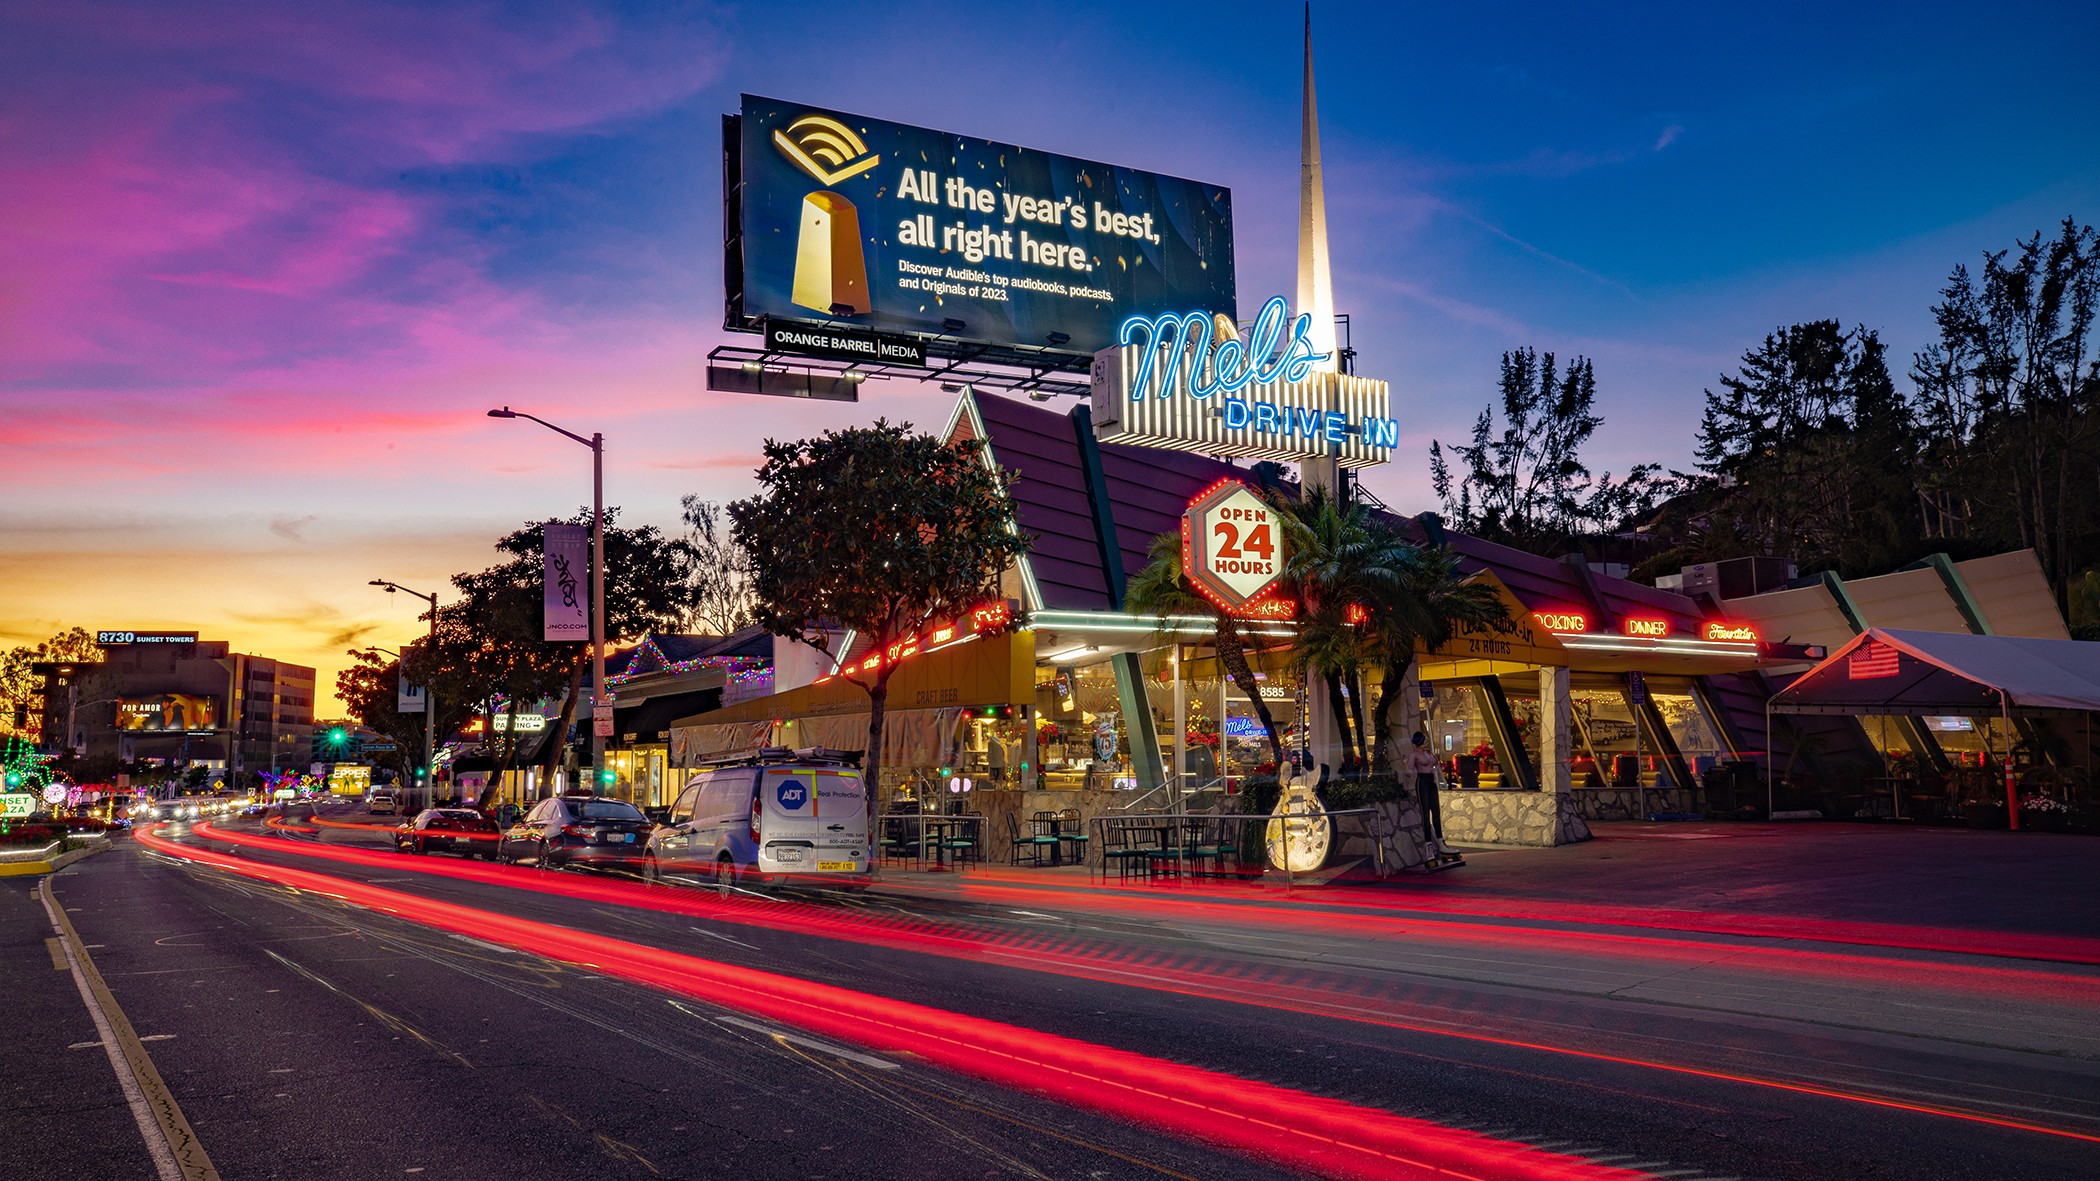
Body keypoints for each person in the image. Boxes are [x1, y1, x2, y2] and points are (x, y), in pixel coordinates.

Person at [1406, 731, 1452, 860]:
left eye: (1427, 741)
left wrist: (1443, 780)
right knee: (1425, 815)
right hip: (1422, 783)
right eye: (1424, 741)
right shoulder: (1414, 755)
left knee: (1436, 813)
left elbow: (1436, 767)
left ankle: (1441, 842)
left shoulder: (1429, 754)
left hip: (1432, 783)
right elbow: (1408, 771)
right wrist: (1408, 768)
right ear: (1419, 742)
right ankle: (1428, 847)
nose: (1426, 743)